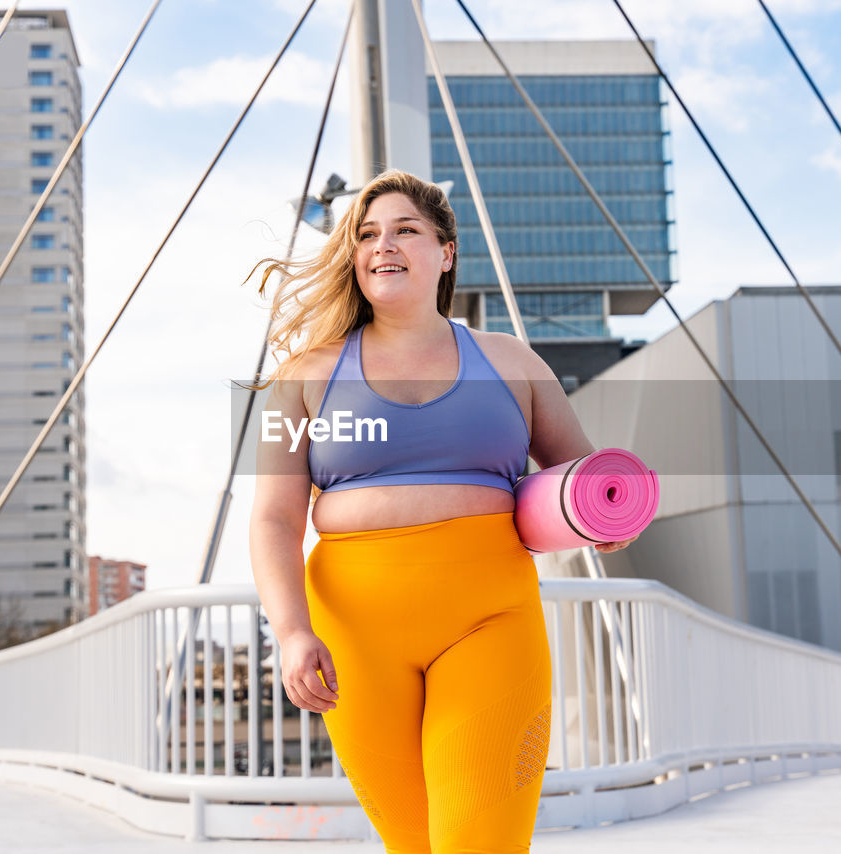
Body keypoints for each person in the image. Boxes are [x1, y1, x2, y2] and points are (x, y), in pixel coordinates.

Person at [248, 170, 636, 853]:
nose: (382, 245)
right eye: (366, 234)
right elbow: (273, 519)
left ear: (447, 251)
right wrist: (290, 632)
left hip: (489, 619)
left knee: (479, 841)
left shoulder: (514, 361)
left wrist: (611, 513)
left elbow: (581, 473)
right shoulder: (302, 376)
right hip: (354, 636)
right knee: (415, 843)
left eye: (405, 230)